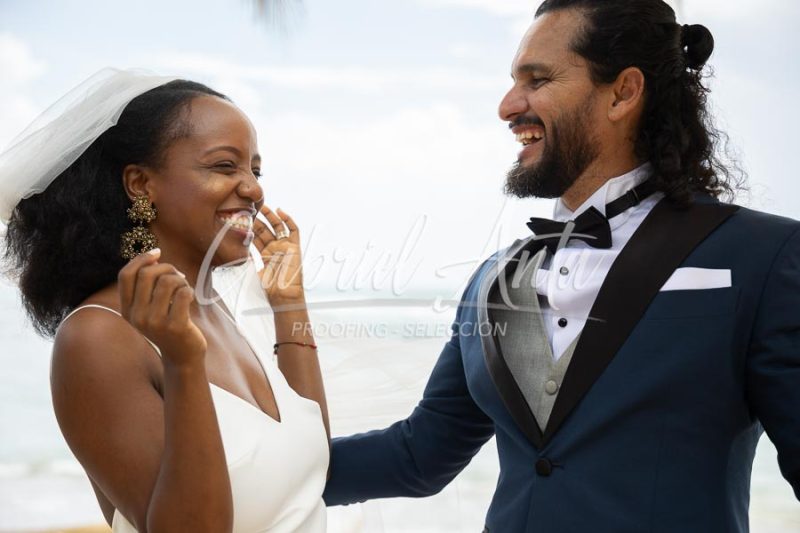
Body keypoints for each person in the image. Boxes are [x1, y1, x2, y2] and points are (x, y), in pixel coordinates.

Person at [322, 1, 800, 531]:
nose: (507, 106)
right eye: (513, 81)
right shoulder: (492, 280)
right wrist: (248, 471)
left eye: (538, 79)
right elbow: (419, 454)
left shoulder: (764, 256)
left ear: (623, 92)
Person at [1, 69, 329, 532]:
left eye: (255, 170)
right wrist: (184, 364)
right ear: (140, 183)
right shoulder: (99, 336)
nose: (254, 189)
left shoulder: (219, 311)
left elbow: (312, 472)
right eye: (224, 166)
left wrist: (290, 306)